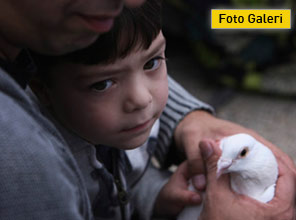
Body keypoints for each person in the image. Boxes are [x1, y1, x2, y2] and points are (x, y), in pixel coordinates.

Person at [0, 0, 294, 219]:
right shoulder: (35, 172)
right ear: (41, 88)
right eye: (102, 85)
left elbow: (125, 181)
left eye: (153, 63)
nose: (142, 100)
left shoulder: (117, 124)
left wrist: (155, 195)